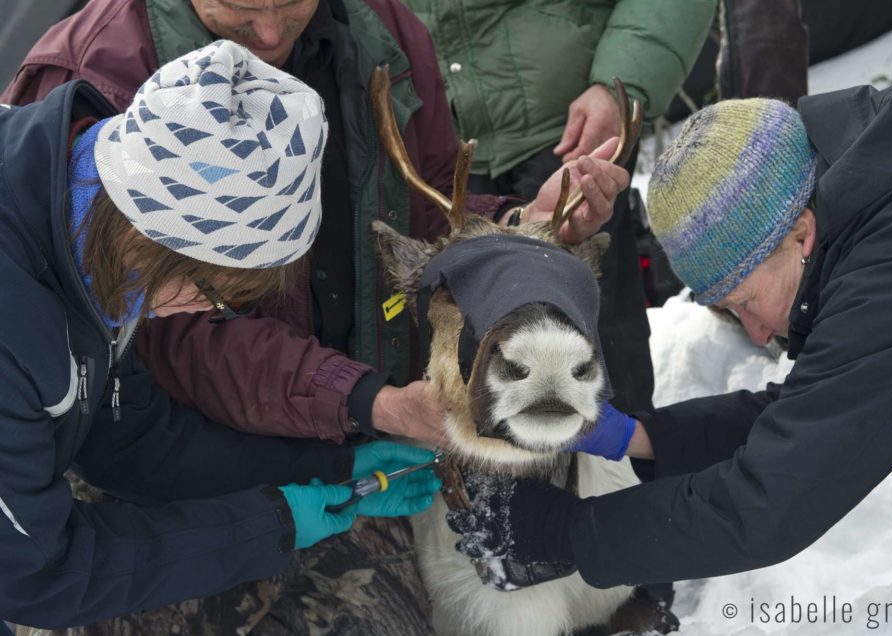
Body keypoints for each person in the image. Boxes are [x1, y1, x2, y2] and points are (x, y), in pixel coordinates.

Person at [0, 0, 628, 447]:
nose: (271, 31)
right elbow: (164, 330)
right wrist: (361, 401)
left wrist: (525, 226)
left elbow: (429, 205)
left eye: (295, 0)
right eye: (237, 4)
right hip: (183, 450)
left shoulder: (381, 31)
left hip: (362, 420)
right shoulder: (96, 69)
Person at [446, 64, 892, 592]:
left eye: (745, 303)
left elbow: (770, 502)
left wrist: (564, 531)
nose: (758, 335)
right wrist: (635, 436)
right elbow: (831, 401)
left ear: (801, 234)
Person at [0, 40, 441, 630]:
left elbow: (133, 439)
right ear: (154, 238)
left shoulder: (95, 235)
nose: (196, 314)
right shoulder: (15, 324)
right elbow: (34, 574)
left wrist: (326, 467)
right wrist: (272, 526)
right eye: (210, 293)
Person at [399, 0, 716, 415]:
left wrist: (621, 82)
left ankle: (630, 467)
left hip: (572, 132)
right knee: (484, 358)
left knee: (599, 345)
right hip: (442, 159)